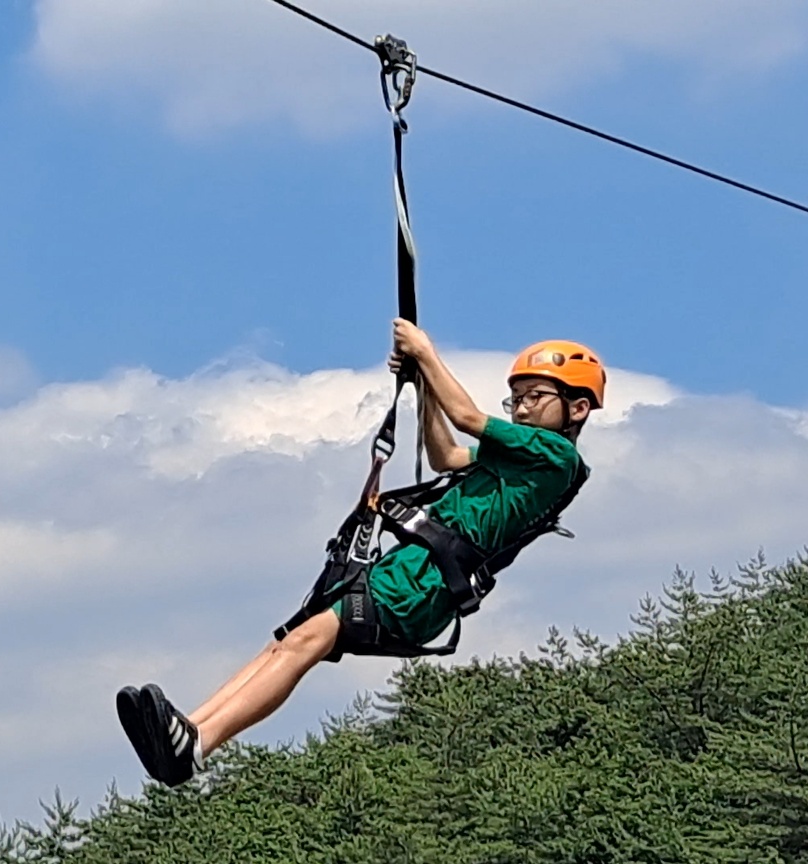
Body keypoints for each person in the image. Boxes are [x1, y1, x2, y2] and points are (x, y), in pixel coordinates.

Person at [118, 319, 606, 786]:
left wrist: (424, 351)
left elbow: (468, 418)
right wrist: (422, 388)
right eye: (516, 399)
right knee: (289, 642)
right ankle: (189, 731)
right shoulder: (521, 457)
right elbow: (447, 455)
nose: (520, 409)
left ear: (577, 409)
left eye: (535, 398)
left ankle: (198, 747)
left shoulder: (555, 457)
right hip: (408, 569)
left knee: (306, 643)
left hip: (422, 585)